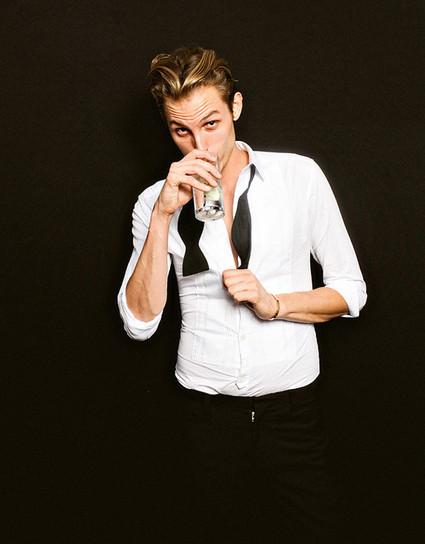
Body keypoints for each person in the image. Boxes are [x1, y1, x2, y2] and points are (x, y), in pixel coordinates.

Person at [118, 45, 366, 543]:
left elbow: (350, 291)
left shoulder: (298, 176)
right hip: (204, 416)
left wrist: (276, 304)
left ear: (235, 107)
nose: (200, 145)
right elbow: (139, 323)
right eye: (181, 131)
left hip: (293, 413)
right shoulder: (153, 201)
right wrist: (164, 214)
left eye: (211, 124)